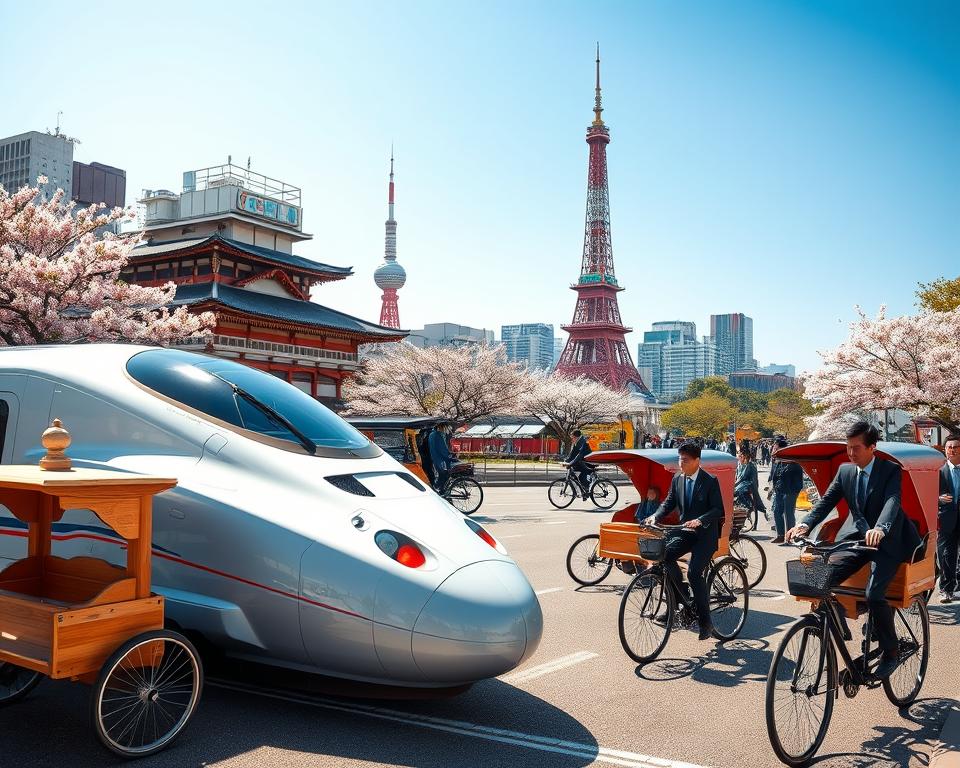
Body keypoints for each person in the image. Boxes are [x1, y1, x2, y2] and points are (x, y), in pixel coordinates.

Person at [786, 421, 921, 680]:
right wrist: (804, 524)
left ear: (872, 447)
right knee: (820, 576)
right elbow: (825, 502)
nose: (851, 453)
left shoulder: (889, 470)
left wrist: (881, 527)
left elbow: (893, 501)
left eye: (856, 448)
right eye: (848, 448)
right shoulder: (846, 471)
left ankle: (890, 651)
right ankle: (834, 613)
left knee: (874, 593)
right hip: (858, 539)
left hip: (888, 541)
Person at [645, 442, 724, 640]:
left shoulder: (710, 481)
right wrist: (656, 516)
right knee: (663, 556)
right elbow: (669, 502)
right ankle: (679, 600)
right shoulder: (678, 478)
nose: (681, 463)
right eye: (680, 458)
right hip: (685, 531)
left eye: (685, 460)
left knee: (694, 572)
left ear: (697, 461)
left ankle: (706, 621)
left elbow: (717, 510)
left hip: (705, 535)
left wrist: (700, 520)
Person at [937, 434, 960, 603]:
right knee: (946, 555)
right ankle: (946, 588)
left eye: (955, 447)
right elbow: (928, 494)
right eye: (949, 447)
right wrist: (938, 499)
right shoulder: (938, 471)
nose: (951, 450)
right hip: (946, 520)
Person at [769, 437, 803, 543]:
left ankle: (790, 536)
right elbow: (775, 475)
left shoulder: (794, 462)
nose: (774, 451)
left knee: (788, 513)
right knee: (776, 511)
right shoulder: (779, 461)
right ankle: (780, 535)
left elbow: (798, 479)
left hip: (790, 491)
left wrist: (795, 490)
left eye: (776, 449)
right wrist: (773, 488)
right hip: (779, 490)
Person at [735, 448, 767, 521]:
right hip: (743, 483)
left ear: (745, 457)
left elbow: (742, 477)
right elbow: (737, 477)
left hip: (749, 484)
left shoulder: (749, 465)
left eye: (740, 456)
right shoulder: (740, 465)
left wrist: (735, 485)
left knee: (738, 491)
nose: (739, 458)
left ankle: (748, 506)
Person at [564, 429, 594, 499]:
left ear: (576, 437)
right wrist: (566, 461)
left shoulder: (583, 442)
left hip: (588, 463)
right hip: (582, 461)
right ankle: (582, 492)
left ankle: (586, 491)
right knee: (574, 475)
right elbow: (572, 454)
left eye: (572, 438)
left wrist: (571, 463)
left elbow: (579, 455)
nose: (572, 439)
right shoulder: (577, 442)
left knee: (582, 476)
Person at [428, 422, 455, 492]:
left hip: (436, 458)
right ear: (442, 427)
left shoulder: (432, 434)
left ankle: (440, 489)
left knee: (442, 475)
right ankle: (438, 489)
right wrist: (450, 456)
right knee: (445, 475)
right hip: (440, 460)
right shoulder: (437, 435)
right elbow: (442, 449)